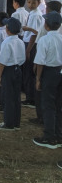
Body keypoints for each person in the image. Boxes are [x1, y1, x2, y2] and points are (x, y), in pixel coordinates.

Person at [32, 11, 62, 149]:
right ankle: (58, 135)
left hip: (49, 73)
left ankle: (49, 137)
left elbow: (40, 62)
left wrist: (38, 79)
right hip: (60, 72)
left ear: (46, 25)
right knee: (58, 105)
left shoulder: (44, 40)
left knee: (48, 104)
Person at [0, 17, 25, 131]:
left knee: (8, 97)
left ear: (7, 29)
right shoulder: (20, 41)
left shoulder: (7, 42)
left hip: (8, 70)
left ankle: (8, 123)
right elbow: (22, 59)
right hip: (18, 69)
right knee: (16, 97)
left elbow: (2, 61)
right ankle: (16, 122)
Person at [21, 0, 44, 109]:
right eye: (29, 2)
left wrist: (28, 50)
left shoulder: (36, 15)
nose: (30, 5)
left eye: (33, 3)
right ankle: (30, 97)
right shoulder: (32, 13)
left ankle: (30, 98)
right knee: (28, 72)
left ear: (38, 3)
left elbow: (34, 34)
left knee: (29, 72)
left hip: (31, 44)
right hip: (29, 43)